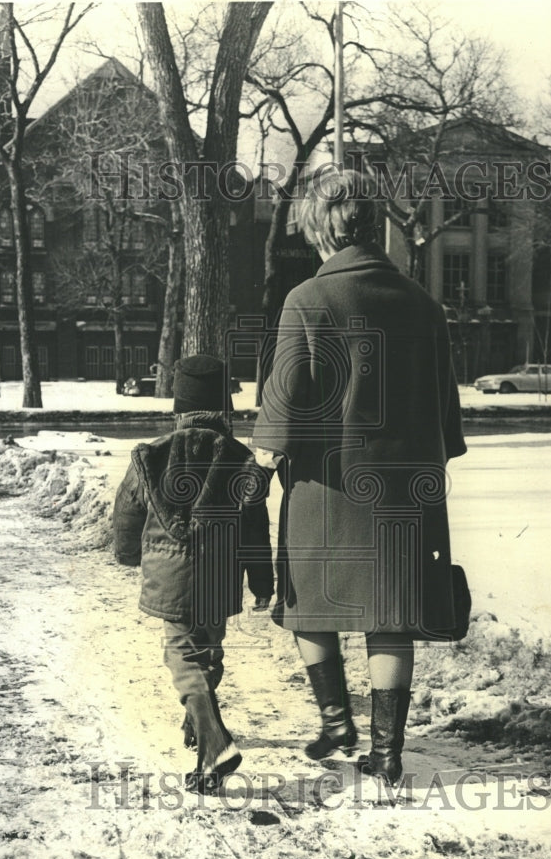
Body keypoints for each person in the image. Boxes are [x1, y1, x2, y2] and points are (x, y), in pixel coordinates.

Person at [252, 168, 467, 784]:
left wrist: (264, 457)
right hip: (407, 489)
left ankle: (336, 720)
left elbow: (286, 399)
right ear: (374, 226)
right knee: (392, 613)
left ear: (319, 228)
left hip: (326, 485)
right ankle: (389, 753)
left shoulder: (307, 300)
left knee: (309, 604)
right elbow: (446, 415)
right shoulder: (424, 303)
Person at [112, 355, 274, 794]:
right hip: (220, 576)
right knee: (208, 651)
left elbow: (126, 512)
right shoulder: (242, 460)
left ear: (177, 409)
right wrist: (262, 581)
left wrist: (129, 556)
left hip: (172, 575)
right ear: (226, 410)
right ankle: (203, 739)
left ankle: (216, 741)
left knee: (181, 655)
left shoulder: (152, 456)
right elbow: (255, 528)